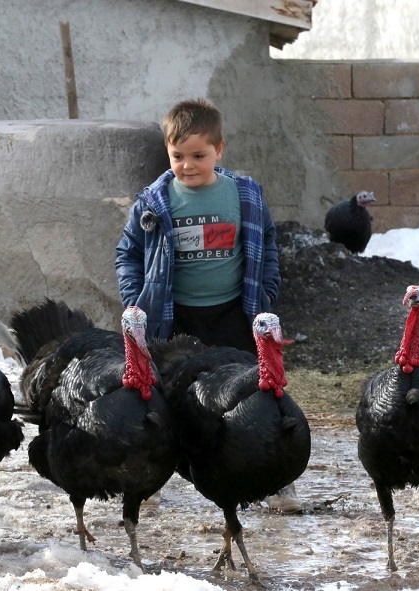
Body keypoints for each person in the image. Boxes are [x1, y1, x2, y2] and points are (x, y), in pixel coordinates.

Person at [115, 98, 299, 511]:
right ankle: (148, 478)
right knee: (161, 401)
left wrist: (267, 292)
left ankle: (276, 480)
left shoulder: (244, 197)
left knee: (256, 392)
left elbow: (268, 245)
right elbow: (126, 253)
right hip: (174, 318)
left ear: (220, 149)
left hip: (236, 313)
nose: (187, 165)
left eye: (199, 155)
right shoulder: (153, 203)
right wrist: (135, 298)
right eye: (177, 156)